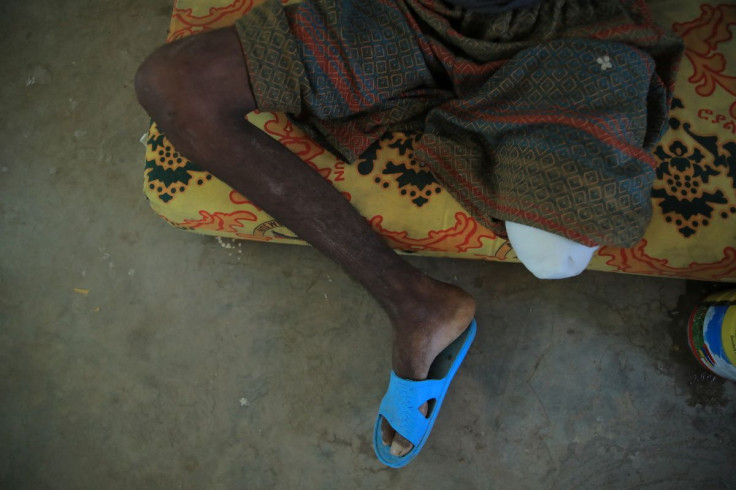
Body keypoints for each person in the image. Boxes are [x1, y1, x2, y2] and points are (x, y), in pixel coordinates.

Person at [135, 0, 681, 466]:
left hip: (563, 28)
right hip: (407, 13)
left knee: (556, 251)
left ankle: (482, 110)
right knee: (173, 84)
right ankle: (415, 304)